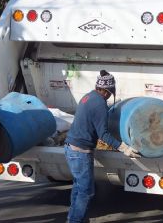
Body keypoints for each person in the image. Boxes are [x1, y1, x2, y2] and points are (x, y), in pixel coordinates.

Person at [64, 70, 140, 223]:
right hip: (80, 151)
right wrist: (123, 147)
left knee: (79, 187)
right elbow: (103, 135)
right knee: (86, 191)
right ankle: (75, 220)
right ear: (107, 91)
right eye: (110, 93)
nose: (109, 96)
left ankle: (74, 218)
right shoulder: (99, 104)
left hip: (70, 147)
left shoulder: (88, 96)